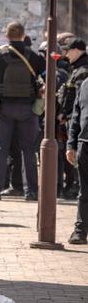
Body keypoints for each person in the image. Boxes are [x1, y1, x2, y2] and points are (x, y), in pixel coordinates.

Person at [0, 22, 46, 201]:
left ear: (7, 36)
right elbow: (44, 71)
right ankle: (31, 191)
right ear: (24, 36)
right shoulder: (33, 56)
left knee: (0, 148)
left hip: (3, 108)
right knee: (28, 150)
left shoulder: (0, 53)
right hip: (28, 108)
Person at [66, 79, 88, 244]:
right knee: (84, 191)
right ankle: (80, 231)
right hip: (84, 144)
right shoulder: (85, 84)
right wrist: (71, 144)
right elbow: (76, 116)